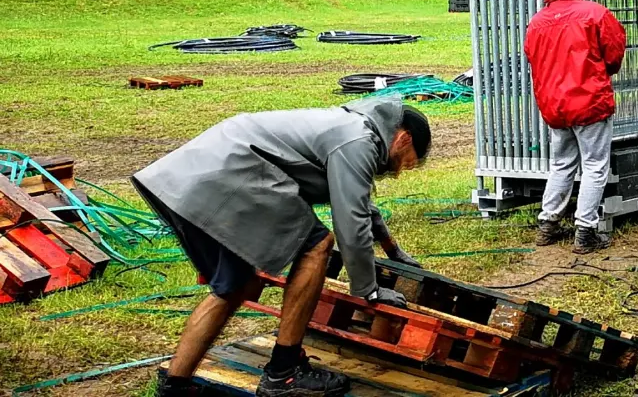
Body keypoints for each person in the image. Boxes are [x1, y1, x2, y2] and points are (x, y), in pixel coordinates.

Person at [131, 96, 431, 397]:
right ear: (403, 139)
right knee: (317, 245)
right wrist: (369, 290)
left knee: (232, 287)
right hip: (232, 173)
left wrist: (393, 251)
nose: (398, 171)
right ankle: (284, 373)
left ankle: (175, 386)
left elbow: (360, 203)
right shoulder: (359, 140)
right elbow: (352, 221)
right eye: (406, 162)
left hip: (191, 180)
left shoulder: (350, 129)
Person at [524, 0, 627, 253]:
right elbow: (614, 54)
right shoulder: (595, 14)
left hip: (555, 106)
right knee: (594, 166)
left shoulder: (537, 22)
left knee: (561, 164)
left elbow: (532, 57)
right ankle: (585, 231)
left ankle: (548, 224)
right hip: (589, 101)